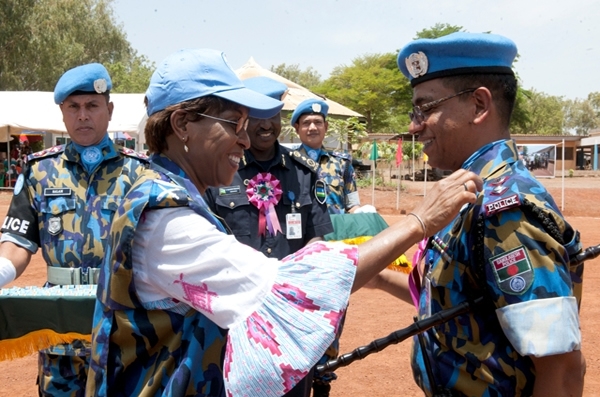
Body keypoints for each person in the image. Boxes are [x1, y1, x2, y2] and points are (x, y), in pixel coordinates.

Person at [86, 48, 482, 397]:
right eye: (233, 124)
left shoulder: (164, 191)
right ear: (183, 124)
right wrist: (419, 220)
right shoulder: (167, 217)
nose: (245, 140)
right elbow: (282, 288)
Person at [367, 32, 585, 396]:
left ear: (479, 105)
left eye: (426, 108)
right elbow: (458, 300)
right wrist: (376, 276)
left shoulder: (505, 209)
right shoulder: (468, 193)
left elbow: (560, 370)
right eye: (414, 111)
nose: (414, 125)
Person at [0, 63, 148, 396]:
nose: (83, 115)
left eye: (92, 106)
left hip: (121, 326)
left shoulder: (139, 173)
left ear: (108, 110)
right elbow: (19, 241)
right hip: (60, 328)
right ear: (62, 114)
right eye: (74, 107)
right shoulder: (39, 171)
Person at [204, 75, 333, 397]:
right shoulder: (219, 171)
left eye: (273, 116)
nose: (267, 125)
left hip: (288, 316)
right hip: (235, 314)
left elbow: (318, 239)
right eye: (258, 116)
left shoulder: (304, 173)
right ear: (242, 119)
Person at [291, 98, 361, 214]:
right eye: (306, 123)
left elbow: (352, 205)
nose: (312, 127)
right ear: (297, 129)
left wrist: (361, 213)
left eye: (318, 122)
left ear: (326, 127)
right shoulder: (288, 162)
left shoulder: (342, 163)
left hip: (337, 229)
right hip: (302, 230)